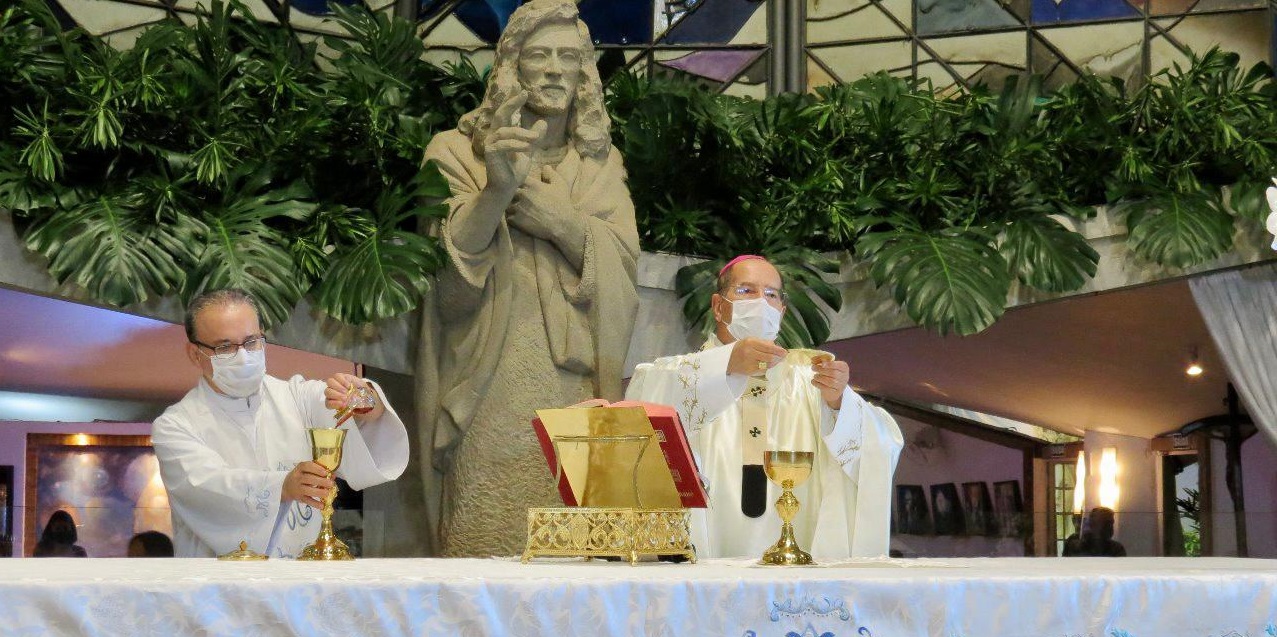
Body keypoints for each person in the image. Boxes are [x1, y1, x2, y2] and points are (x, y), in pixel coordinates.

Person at [417, 0, 639, 557]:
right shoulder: (455, 151)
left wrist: (566, 226)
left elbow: (624, 272)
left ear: (586, 71)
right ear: (511, 66)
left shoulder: (600, 165)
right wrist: (495, 191)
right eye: (538, 55)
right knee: (486, 547)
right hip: (490, 384)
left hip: (579, 391)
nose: (555, 68)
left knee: (573, 568)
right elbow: (447, 285)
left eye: (570, 56)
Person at [626, 256, 904, 559]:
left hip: (793, 574)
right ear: (719, 307)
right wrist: (727, 364)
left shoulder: (809, 384)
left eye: (771, 294)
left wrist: (839, 404)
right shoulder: (678, 376)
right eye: (746, 291)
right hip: (705, 570)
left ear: (781, 312)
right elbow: (639, 411)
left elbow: (881, 444)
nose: (761, 302)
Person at [152, 289, 410, 558]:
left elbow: (361, 422)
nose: (243, 356)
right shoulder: (176, 426)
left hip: (298, 583)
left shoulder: (296, 397)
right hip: (219, 589)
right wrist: (282, 486)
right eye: (225, 347)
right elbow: (205, 487)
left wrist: (366, 402)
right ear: (195, 354)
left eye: (251, 342)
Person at [1062, 506, 1127, 557]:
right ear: (1093, 525)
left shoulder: (1116, 548)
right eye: (1107, 524)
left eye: (1111, 524)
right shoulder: (1075, 545)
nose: (1111, 528)